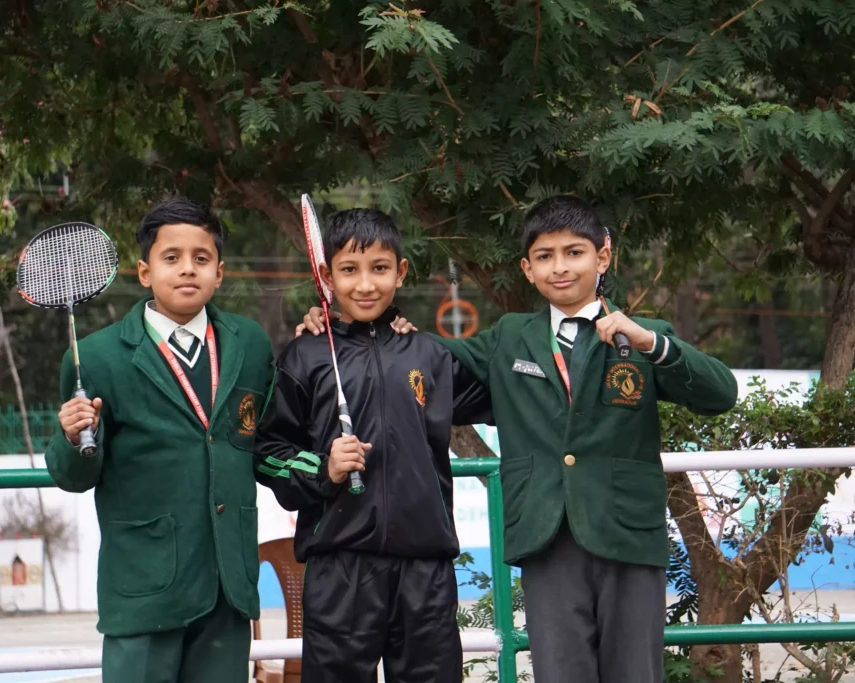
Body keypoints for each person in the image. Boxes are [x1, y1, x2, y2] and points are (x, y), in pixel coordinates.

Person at [299, 195, 738, 683]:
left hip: (628, 536)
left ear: (604, 256)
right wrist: (335, 327)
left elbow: (720, 393)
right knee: (560, 674)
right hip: (545, 535)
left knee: (635, 673)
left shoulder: (642, 335)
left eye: (575, 253)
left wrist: (651, 344)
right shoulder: (509, 338)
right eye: (545, 257)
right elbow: (416, 362)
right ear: (527, 269)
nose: (560, 268)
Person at [256, 208, 492, 683]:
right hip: (339, 570)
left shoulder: (429, 354)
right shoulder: (304, 355)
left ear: (400, 273)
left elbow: (515, 390)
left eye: (379, 269)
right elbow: (268, 452)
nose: (365, 284)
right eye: (349, 270)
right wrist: (324, 468)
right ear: (327, 277)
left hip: (425, 570)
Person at [45, 199, 275, 683]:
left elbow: (268, 439)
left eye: (201, 258)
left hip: (227, 584)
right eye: (171, 258)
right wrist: (70, 437)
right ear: (145, 272)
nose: (187, 269)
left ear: (220, 272)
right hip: (144, 586)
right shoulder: (97, 358)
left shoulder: (250, 343)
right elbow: (73, 476)